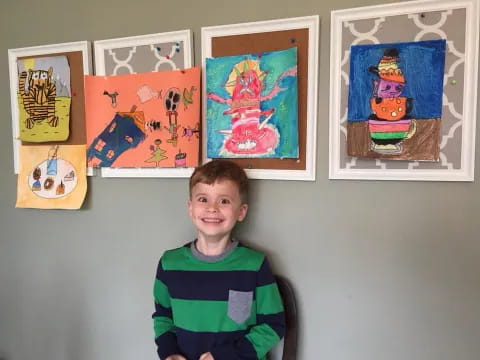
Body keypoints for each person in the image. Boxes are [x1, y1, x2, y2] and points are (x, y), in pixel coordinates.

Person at [152, 160, 285, 360]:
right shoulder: (169, 264)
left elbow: (273, 325)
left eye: (224, 201)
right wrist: (169, 352)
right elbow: (163, 317)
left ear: (241, 212)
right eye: (203, 199)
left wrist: (226, 355)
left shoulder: (254, 265)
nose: (212, 208)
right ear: (190, 208)